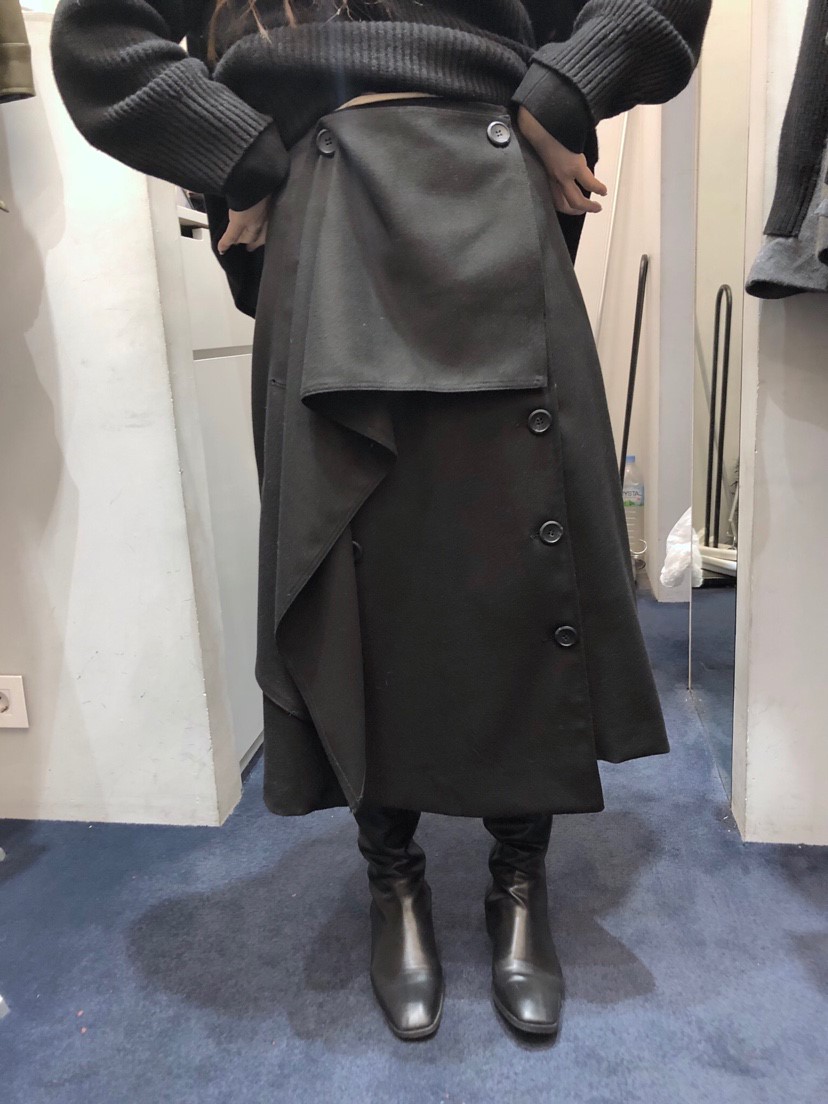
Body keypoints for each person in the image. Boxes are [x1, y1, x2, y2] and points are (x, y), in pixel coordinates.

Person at [50, 0, 711, 1041]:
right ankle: (391, 878)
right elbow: (99, 37)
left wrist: (567, 84)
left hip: (494, 184)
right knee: (350, 562)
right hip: (320, 201)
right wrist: (236, 151)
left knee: (517, 552)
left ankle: (520, 878)